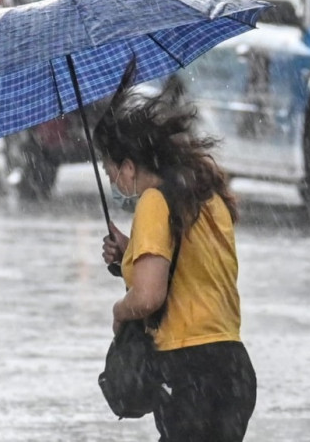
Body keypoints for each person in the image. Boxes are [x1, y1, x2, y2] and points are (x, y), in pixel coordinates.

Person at [94, 64, 257, 442]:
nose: (114, 182)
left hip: (188, 371)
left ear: (130, 167)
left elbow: (150, 296)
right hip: (232, 368)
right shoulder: (207, 195)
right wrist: (128, 256)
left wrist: (119, 312)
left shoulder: (153, 202)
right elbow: (193, 271)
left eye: (111, 172)